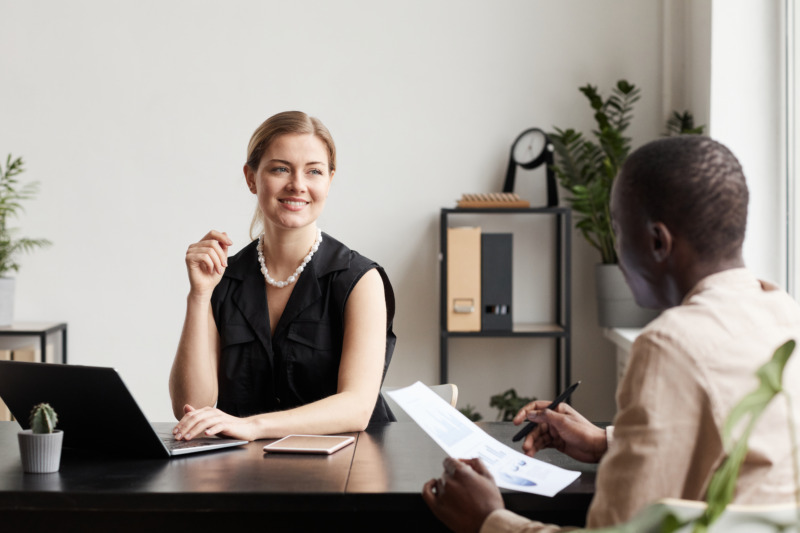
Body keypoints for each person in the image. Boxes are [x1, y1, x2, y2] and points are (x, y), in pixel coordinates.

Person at [422, 135, 800, 532]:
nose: (617, 251)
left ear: (657, 241)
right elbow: (738, 450)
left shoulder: (672, 344)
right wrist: (605, 442)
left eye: (619, 230)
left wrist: (489, 518)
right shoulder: (783, 313)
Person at [169, 111, 396, 443]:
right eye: (280, 169)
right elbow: (191, 406)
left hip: (348, 471)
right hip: (248, 474)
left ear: (329, 181)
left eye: (314, 171)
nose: (297, 185)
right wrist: (199, 295)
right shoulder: (223, 277)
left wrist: (254, 426)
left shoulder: (360, 280)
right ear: (251, 178)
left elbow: (357, 408)